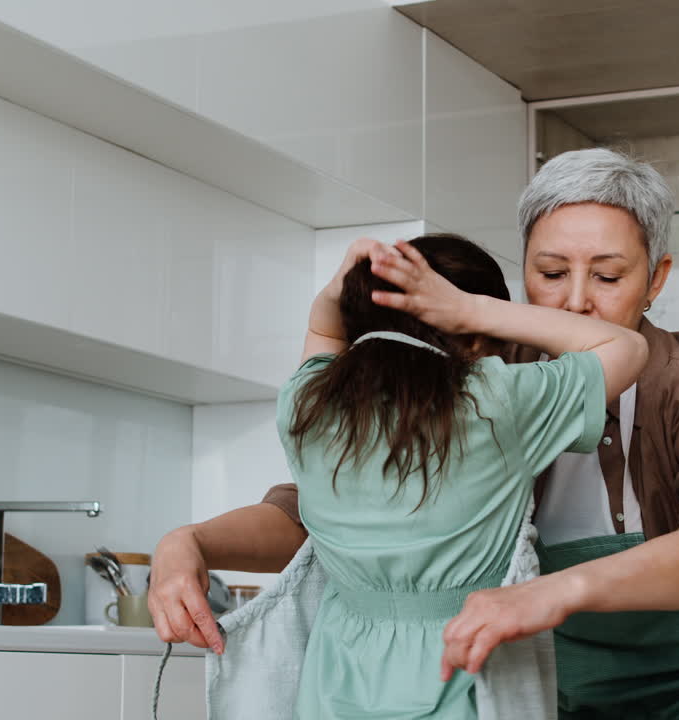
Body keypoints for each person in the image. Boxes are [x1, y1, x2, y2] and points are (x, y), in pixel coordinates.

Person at [150, 148, 679, 719]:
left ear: (656, 279)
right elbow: (325, 513)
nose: (573, 302)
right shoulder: (487, 371)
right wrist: (190, 543)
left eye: (607, 277)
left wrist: (552, 593)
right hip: (531, 681)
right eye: (549, 272)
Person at [253, 233, 644, 718]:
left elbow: (326, 333)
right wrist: (474, 310)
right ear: (475, 333)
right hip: (465, 670)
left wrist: (341, 286)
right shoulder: (494, 401)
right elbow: (627, 347)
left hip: (335, 681)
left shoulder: (305, 402)